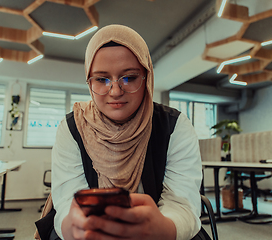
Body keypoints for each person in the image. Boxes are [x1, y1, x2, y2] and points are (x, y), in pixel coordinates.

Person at [49, 24, 203, 240]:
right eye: (102, 80)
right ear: (89, 81)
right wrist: (75, 227)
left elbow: (182, 203)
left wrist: (164, 228)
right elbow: (67, 202)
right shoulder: (73, 127)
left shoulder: (174, 126)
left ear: (146, 77)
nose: (115, 91)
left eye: (129, 78)